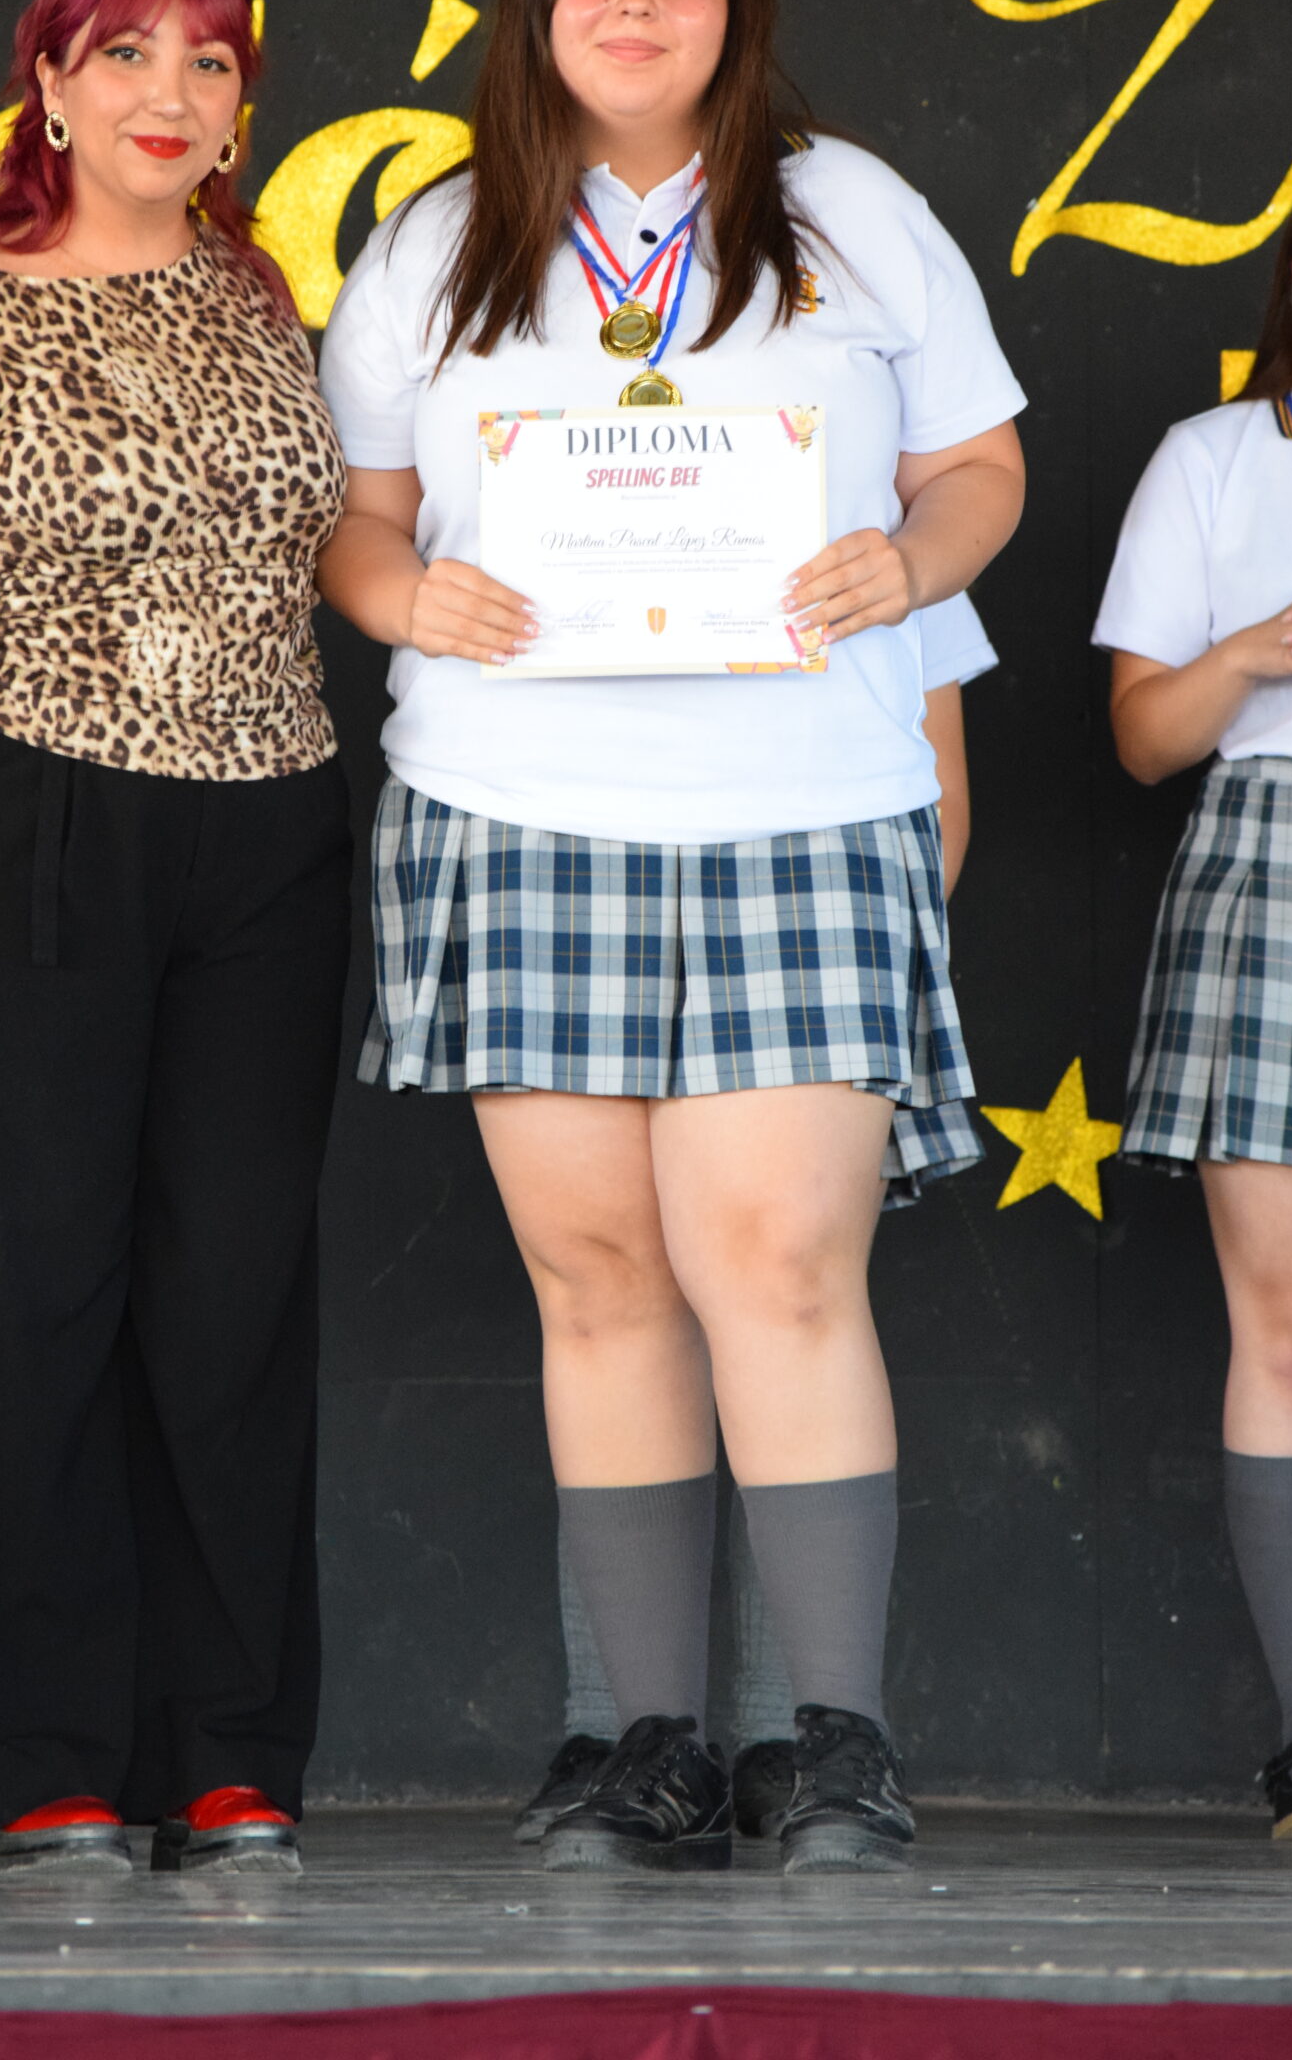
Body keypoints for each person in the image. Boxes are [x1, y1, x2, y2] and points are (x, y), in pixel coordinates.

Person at [315, 0, 1025, 1875]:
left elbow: (980, 469)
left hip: (798, 804)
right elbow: (359, 522)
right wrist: (398, 599)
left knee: (778, 1264)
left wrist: (912, 559)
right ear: (534, 5)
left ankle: (831, 1742)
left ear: (738, 1)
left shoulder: (853, 210)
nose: (635, 2)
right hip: (520, 806)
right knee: (601, 1278)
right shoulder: (435, 237)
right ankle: (637, 1738)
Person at [0, 0, 351, 1875]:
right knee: (27, 1287)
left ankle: (226, 1750)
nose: (167, 96)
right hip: (39, 818)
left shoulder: (267, 306)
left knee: (233, 1299)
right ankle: (45, 1753)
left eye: (207, 63)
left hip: (273, 830)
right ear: (48, 83)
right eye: (124, 54)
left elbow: (340, 551)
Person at [513, 594, 999, 1847]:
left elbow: (935, 751)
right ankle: (626, 1731)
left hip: (802, 848)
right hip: (551, 822)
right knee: (616, 1296)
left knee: (775, 1293)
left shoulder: (862, 497)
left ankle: (806, 1737)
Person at [1095, 119, 1292, 1844]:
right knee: (1291, 1331)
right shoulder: (1215, 456)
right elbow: (1143, 738)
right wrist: (1258, 647)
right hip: (1277, 864)